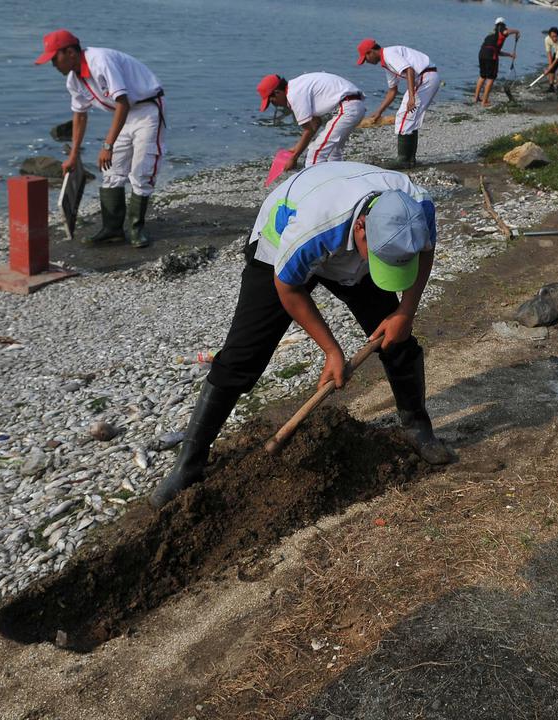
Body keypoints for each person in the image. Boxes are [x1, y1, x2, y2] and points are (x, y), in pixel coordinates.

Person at [149, 161, 456, 507]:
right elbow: (289, 287)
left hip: (354, 241)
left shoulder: (417, 209)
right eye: (380, 260)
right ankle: (188, 464)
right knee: (241, 357)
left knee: (397, 341)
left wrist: (405, 312)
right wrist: (331, 351)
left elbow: (425, 253)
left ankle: (417, 427)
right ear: (361, 229)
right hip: (281, 240)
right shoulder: (315, 226)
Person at [35, 29, 165, 248]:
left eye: (54, 58)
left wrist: (107, 145)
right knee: (111, 171)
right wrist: (73, 157)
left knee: (141, 171)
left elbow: (122, 101)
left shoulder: (100, 60)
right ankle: (112, 230)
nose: (53, 65)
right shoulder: (73, 80)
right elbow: (79, 116)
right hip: (124, 114)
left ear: (70, 53)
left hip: (146, 109)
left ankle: (136, 229)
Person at [358, 39, 441, 168]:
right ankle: (410, 160)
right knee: (410, 119)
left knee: (404, 117)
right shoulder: (386, 64)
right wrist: (379, 112)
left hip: (425, 76)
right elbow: (393, 91)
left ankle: (403, 160)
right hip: (426, 77)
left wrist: (411, 98)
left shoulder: (389, 54)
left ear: (371, 52)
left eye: (365, 58)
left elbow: (409, 70)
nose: (366, 62)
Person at [257, 73, 366, 168]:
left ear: (277, 92)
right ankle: (339, 181)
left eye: (272, 101)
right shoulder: (296, 86)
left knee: (315, 153)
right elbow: (316, 123)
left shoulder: (294, 95)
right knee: (333, 152)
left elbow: (308, 130)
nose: (274, 105)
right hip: (353, 105)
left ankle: (315, 187)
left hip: (347, 108)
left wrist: (294, 158)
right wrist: (296, 148)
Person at [474, 18, 521, 106]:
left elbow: (496, 51)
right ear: (502, 24)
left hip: (482, 53)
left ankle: (476, 98)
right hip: (490, 56)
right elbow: (506, 32)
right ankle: (484, 102)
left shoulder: (491, 34)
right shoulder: (501, 28)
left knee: (482, 76)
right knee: (491, 78)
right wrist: (517, 31)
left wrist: (510, 55)